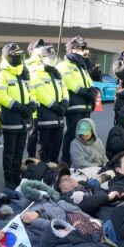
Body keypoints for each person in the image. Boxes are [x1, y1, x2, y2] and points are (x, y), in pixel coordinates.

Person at [0, 43, 37, 189]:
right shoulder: (1, 74)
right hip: (10, 119)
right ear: (8, 56)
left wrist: (32, 104)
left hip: (24, 119)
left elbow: (31, 91)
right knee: (9, 151)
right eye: (15, 54)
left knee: (19, 151)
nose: (19, 57)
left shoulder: (23, 73)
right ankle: (8, 178)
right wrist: (18, 106)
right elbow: (1, 95)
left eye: (20, 54)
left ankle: (16, 175)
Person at [58, 36, 96, 164]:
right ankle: (66, 162)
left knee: (84, 136)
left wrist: (92, 94)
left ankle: (80, 161)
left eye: (82, 49)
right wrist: (85, 93)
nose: (81, 51)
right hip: (74, 106)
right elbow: (70, 83)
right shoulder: (64, 65)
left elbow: (89, 81)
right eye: (78, 49)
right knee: (72, 135)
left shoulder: (82, 66)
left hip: (85, 106)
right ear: (70, 50)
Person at [30, 44, 68, 162]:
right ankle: (42, 174)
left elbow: (64, 89)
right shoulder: (35, 73)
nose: (52, 59)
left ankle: (54, 173)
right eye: (49, 57)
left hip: (59, 120)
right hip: (44, 118)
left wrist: (65, 103)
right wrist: (55, 106)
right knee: (43, 149)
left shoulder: (56, 73)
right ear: (41, 58)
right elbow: (40, 93)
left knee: (56, 148)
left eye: (53, 57)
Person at [24, 38, 47, 158]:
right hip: (33, 107)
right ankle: (31, 159)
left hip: (46, 106)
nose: (41, 49)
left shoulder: (46, 64)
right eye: (38, 47)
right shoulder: (26, 65)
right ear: (32, 50)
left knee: (44, 137)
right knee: (33, 134)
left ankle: (42, 160)